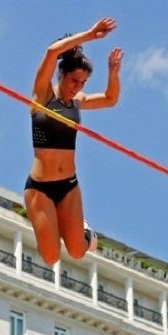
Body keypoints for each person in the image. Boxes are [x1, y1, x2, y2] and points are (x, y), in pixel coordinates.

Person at [25, 18, 124, 265]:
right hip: (40, 187)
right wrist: (90, 35)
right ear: (61, 73)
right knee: (50, 257)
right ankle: (54, 224)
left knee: (78, 251)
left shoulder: (78, 101)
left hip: (69, 184)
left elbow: (111, 99)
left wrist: (113, 74)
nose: (76, 87)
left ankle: (84, 230)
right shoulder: (43, 95)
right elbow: (51, 51)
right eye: (73, 81)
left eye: (82, 83)